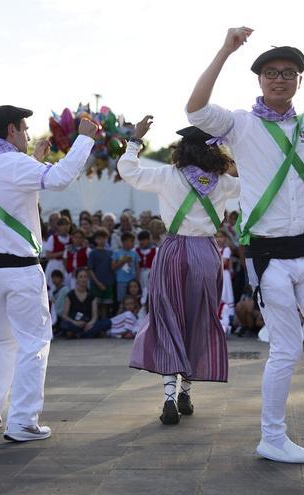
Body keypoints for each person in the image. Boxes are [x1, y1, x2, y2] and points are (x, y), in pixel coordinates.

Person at [186, 26, 304, 463]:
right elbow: (195, 108)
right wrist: (224, 50)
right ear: (259, 79)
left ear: (299, 81)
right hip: (269, 256)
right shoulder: (239, 124)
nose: (280, 78)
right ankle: (272, 437)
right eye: (271, 72)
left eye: (288, 73)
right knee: (286, 350)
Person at [0, 104, 97, 441]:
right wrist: (83, 140)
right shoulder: (13, 163)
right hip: (17, 269)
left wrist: (34, 162)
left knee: (0, 339)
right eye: (23, 128)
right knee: (33, 342)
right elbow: (61, 179)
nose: (27, 134)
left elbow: (10, 192)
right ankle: (23, 420)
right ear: (11, 130)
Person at [121, 116, 240, 425]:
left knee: (167, 318)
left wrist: (135, 140)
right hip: (206, 253)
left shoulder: (167, 175)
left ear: (182, 150)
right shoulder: (224, 183)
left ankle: (169, 396)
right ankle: (187, 391)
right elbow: (257, 185)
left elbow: (129, 172)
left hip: (173, 251)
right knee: (200, 319)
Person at [58, 268, 111, 338]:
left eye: (85, 277)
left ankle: (78, 335)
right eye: (81, 277)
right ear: (76, 279)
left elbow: (95, 315)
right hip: (75, 323)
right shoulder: (70, 295)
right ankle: (88, 334)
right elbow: (64, 315)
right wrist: (75, 323)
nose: (83, 279)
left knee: (107, 323)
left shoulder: (92, 295)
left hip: (88, 324)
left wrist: (90, 323)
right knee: (63, 324)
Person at [88, 228, 115, 318]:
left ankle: (103, 327)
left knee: (105, 307)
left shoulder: (111, 253)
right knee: (96, 305)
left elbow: (113, 267)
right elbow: (90, 270)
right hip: (96, 283)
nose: (102, 240)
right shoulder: (93, 253)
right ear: (95, 240)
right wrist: (98, 283)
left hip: (108, 283)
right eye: (99, 238)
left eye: (104, 238)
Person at [111, 232, 140, 304]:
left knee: (133, 301)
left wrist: (137, 280)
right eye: (131, 241)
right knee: (122, 301)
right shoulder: (116, 253)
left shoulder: (134, 253)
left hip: (132, 281)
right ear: (124, 241)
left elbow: (137, 267)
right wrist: (123, 261)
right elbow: (113, 267)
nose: (132, 243)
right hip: (121, 281)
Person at [43, 216, 71, 291]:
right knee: (53, 289)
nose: (65, 227)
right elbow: (48, 255)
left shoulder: (71, 239)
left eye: (67, 224)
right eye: (62, 224)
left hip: (66, 267)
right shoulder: (53, 238)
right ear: (58, 226)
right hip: (54, 265)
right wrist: (63, 252)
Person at [216, 230, 235, 333]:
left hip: (224, 276)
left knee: (224, 294)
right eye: (217, 237)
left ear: (225, 238)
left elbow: (223, 262)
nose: (219, 239)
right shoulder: (214, 249)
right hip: (216, 275)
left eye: (221, 237)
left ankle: (227, 320)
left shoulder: (226, 249)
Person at [135, 230, 157, 294]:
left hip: (152, 274)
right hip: (140, 275)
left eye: (144, 240)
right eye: (140, 240)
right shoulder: (135, 250)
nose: (142, 242)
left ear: (148, 239)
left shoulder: (156, 250)